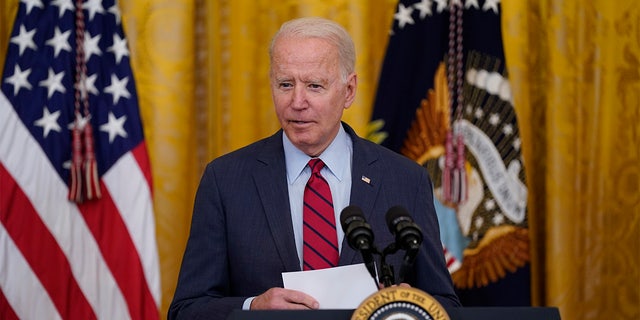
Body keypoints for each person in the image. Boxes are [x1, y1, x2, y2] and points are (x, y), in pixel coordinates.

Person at [168, 17, 461, 320]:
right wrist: (253, 309)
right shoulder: (226, 180)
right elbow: (186, 310)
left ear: (349, 91)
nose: (297, 101)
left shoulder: (405, 180)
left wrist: (407, 307)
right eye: (285, 84)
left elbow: (446, 304)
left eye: (314, 86)